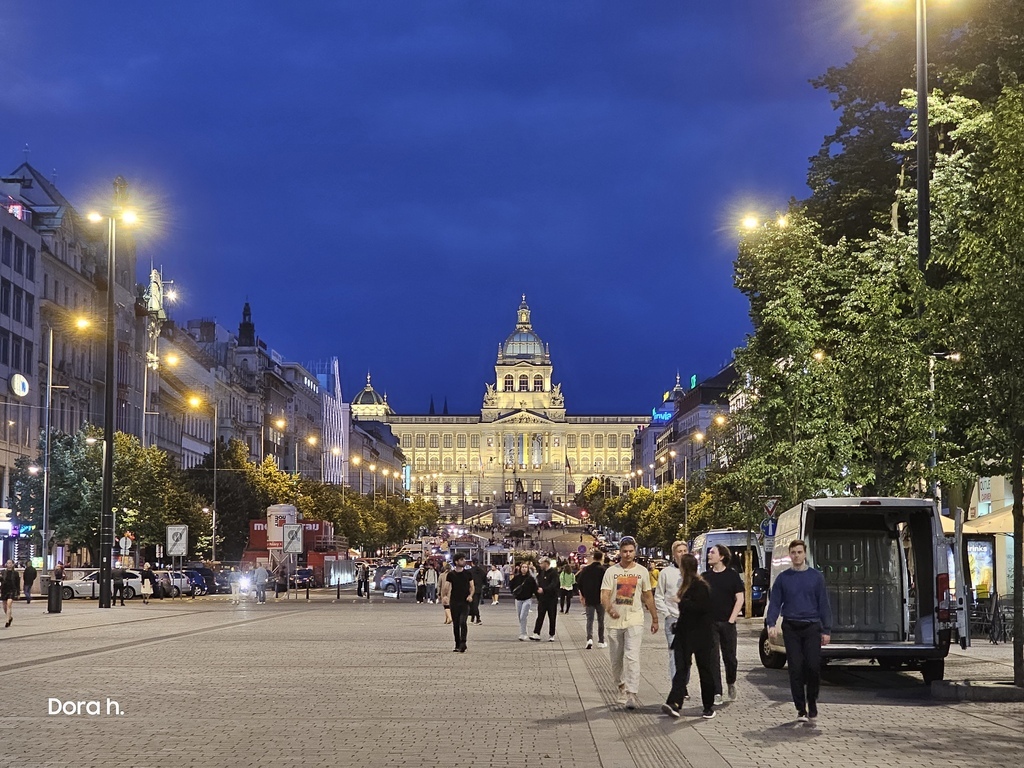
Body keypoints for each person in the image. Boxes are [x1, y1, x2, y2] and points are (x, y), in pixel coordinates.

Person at [766, 539, 832, 725]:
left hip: (811, 626)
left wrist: (826, 629)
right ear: (790, 555)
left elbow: (823, 604)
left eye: (799, 552)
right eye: (793, 552)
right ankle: (800, 708)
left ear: (805, 554)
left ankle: (812, 700)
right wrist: (771, 623)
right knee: (795, 668)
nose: (796, 555)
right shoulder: (783, 579)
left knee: (812, 666)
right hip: (791, 627)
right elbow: (776, 602)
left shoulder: (816, 577)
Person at [601, 536, 658, 709]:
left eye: (630, 551)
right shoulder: (611, 572)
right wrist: (610, 608)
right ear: (620, 552)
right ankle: (621, 686)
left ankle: (632, 693)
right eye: (624, 551)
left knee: (632, 656)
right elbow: (604, 594)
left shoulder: (641, 572)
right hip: (614, 621)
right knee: (616, 659)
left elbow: (647, 596)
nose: (627, 554)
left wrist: (655, 618)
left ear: (635, 551)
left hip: (634, 618)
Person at [662, 554, 717, 719]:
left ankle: (708, 706)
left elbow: (701, 608)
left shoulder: (700, 586)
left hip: (701, 636)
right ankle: (674, 703)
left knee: (704, 670)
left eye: (681, 566)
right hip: (684, 635)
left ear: (685, 568)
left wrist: (680, 601)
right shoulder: (684, 585)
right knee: (681, 669)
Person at [706, 544, 744, 703]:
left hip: (727, 623)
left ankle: (731, 682)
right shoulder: (705, 577)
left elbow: (740, 599)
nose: (709, 554)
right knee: (712, 658)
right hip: (710, 624)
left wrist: (731, 619)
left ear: (721, 556)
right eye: (709, 552)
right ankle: (717, 692)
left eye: (712, 552)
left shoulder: (732, 576)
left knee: (730, 658)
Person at [654, 540, 689, 690]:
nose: (682, 554)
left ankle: (683, 683)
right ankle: (678, 687)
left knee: (687, 656)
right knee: (675, 655)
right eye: (679, 551)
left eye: (685, 551)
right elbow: (659, 596)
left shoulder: (693, 572)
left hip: (690, 620)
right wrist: (667, 614)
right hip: (673, 620)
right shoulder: (666, 573)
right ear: (674, 554)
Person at [441, 553, 474, 652]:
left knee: (463, 622)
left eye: (464, 559)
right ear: (456, 562)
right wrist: (444, 596)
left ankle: (463, 643)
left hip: (465, 601)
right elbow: (446, 587)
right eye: (461, 559)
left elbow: (472, 587)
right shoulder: (451, 574)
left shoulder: (468, 574)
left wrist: (470, 595)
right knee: (455, 624)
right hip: (454, 601)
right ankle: (457, 644)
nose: (464, 561)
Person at [575, 550, 607, 649]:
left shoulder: (586, 570)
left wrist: (583, 595)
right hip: (600, 599)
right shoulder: (603, 570)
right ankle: (601, 641)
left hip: (589, 598)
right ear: (601, 558)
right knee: (601, 620)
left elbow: (578, 582)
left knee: (590, 620)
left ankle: (589, 639)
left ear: (593, 558)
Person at [530, 556, 559, 641]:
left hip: (552, 599)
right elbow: (538, 582)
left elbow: (554, 585)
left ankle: (551, 634)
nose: (540, 565)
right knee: (540, 616)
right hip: (542, 599)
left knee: (552, 617)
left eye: (541, 563)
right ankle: (536, 633)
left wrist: (544, 590)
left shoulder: (554, 573)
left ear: (546, 563)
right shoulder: (541, 572)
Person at [510, 561, 538, 640]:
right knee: (520, 617)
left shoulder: (530, 579)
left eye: (526, 567)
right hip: (518, 600)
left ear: (528, 569)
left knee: (523, 616)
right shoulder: (516, 578)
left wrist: (538, 597)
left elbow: (535, 588)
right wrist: (514, 593)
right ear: (520, 568)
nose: (524, 569)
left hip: (527, 599)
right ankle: (523, 632)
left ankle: (523, 634)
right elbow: (511, 585)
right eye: (523, 567)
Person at [2, 560, 20, 627]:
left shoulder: (15, 573)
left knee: (9, 604)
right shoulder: (3, 572)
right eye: (8, 563)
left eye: (10, 563)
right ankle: (10, 617)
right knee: (4, 606)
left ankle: (7, 621)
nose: (9, 564)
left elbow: (17, 583)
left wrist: (18, 593)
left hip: (12, 590)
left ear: (13, 564)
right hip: (4, 590)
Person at [468, 560, 486, 624]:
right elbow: (485, 580)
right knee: (476, 604)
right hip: (479, 589)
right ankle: (473, 618)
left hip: (471, 589)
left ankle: (478, 619)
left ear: (472, 563)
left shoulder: (469, 571)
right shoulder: (482, 571)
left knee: (473, 605)